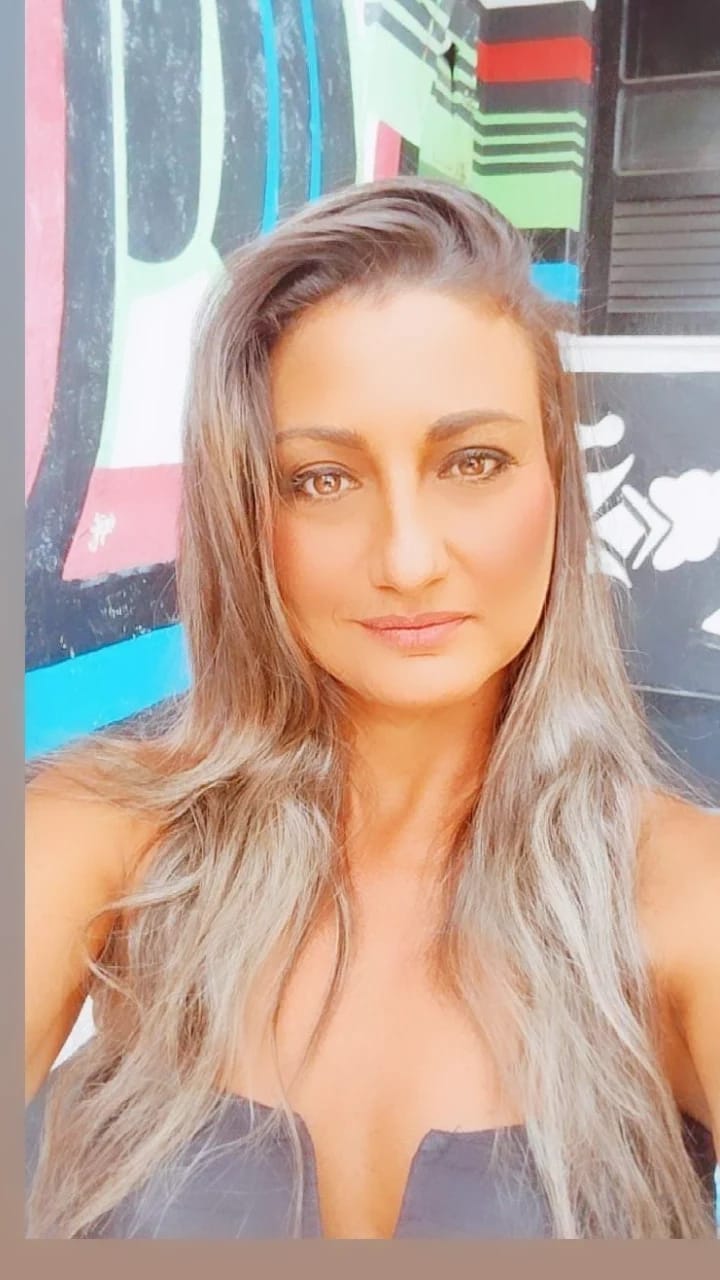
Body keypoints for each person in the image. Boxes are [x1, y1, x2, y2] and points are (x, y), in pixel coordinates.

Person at [25, 177, 719, 1240]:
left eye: (473, 462)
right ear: (246, 515)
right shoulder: (103, 838)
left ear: (555, 486)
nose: (407, 557)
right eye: (322, 479)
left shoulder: (680, 896)